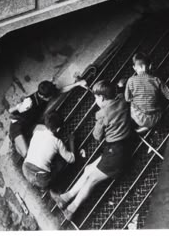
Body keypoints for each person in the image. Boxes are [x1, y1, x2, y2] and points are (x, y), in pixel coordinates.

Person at [50, 79, 132, 221]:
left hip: (116, 154)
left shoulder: (102, 114)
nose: (95, 99)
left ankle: (71, 209)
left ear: (101, 98)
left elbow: (97, 136)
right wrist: (119, 86)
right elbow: (120, 93)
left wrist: (100, 122)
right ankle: (65, 198)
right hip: (119, 146)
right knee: (88, 170)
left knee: (92, 179)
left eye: (95, 97)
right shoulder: (122, 101)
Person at [9, 77, 87, 158]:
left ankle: (23, 141)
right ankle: (15, 141)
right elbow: (10, 111)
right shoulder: (29, 101)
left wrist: (78, 84)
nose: (51, 98)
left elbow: (61, 90)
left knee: (50, 131)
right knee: (26, 154)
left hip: (31, 126)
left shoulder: (45, 91)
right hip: (18, 126)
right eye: (50, 97)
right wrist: (19, 107)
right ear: (43, 97)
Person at [22, 111, 75, 189]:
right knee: (60, 162)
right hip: (41, 180)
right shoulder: (57, 142)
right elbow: (71, 159)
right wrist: (71, 141)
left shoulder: (37, 132)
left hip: (25, 169)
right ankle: (54, 186)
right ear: (58, 129)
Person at [124, 52, 169, 133]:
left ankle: (142, 126)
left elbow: (127, 99)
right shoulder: (156, 80)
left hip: (139, 117)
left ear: (134, 68)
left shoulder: (131, 80)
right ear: (150, 66)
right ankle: (151, 126)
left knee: (132, 102)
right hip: (155, 117)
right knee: (159, 101)